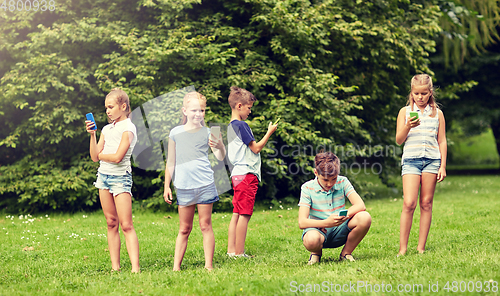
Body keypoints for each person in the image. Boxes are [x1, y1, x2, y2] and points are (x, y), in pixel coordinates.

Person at [163, 91, 226, 271]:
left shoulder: (208, 132)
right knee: (184, 228)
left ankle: (208, 266)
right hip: (184, 186)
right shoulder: (175, 133)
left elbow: (220, 157)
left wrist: (220, 145)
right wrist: (167, 185)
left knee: (205, 225)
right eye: (194, 110)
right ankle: (176, 267)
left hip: (205, 184)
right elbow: (171, 161)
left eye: (202, 111)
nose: (198, 114)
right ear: (184, 111)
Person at [86, 88, 140, 273]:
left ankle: (135, 268)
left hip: (121, 178)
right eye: (106, 108)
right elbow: (94, 156)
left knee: (126, 225)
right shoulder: (107, 129)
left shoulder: (129, 128)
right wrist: (93, 135)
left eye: (111, 107)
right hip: (104, 178)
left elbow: (118, 157)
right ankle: (115, 268)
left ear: (123, 106)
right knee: (111, 222)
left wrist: (102, 155)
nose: (107, 111)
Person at [395, 74, 447, 256]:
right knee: (409, 203)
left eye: (424, 93)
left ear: (430, 92)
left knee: (426, 203)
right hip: (411, 160)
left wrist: (442, 165)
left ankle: (421, 248)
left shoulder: (437, 114)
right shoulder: (404, 112)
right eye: (416, 93)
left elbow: (442, 141)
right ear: (412, 92)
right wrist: (408, 126)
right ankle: (403, 249)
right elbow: (399, 140)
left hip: (432, 161)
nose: (420, 97)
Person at [226, 86, 278, 258]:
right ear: (239, 106)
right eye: (249, 108)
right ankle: (239, 253)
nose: (250, 111)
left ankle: (231, 251)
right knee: (244, 214)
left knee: (236, 212)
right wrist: (269, 132)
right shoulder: (242, 125)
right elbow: (256, 148)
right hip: (247, 174)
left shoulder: (230, 127)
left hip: (236, 174)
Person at [298, 152, 372, 265]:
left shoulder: (343, 181)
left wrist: (343, 216)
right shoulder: (307, 188)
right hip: (318, 230)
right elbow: (302, 222)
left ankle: (346, 254)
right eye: (325, 180)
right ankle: (316, 254)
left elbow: (360, 205)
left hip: (339, 228)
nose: (330, 183)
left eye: (333, 179)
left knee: (364, 217)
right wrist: (326, 223)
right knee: (311, 240)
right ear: (316, 172)